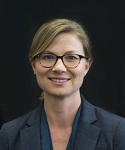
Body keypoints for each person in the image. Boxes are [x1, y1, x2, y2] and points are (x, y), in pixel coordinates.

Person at [0, 18, 125, 150]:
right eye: (48, 57)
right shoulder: (9, 135)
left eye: (71, 57)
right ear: (34, 65)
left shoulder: (118, 132)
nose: (59, 68)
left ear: (87, 66)